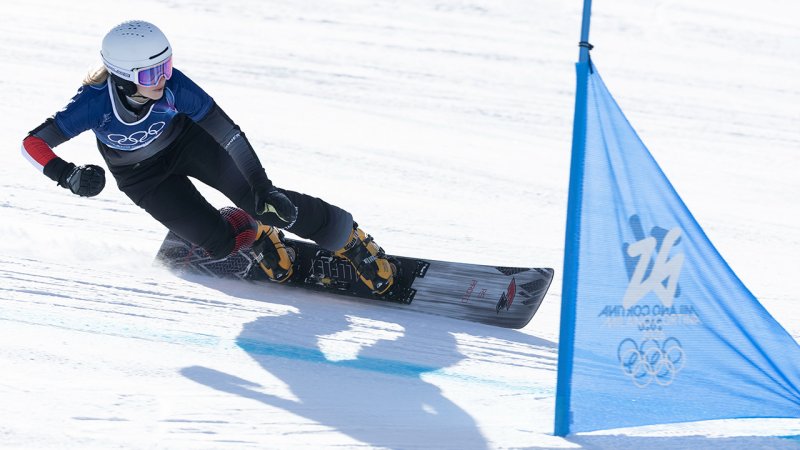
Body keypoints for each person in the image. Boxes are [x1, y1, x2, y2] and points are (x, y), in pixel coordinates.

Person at [20, 20, 395, 294]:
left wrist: (261, 187)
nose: (165, 77)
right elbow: (33, 143)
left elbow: (228, 134)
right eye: (153, 72)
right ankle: (256, 229)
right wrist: (66, 174)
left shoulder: (176, 87)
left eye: (166, 65)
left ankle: (350, 238)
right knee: (218, 245)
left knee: (267, 203)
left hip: (189, 144)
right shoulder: (92, 104)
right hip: (141, 177)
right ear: (122, 76)